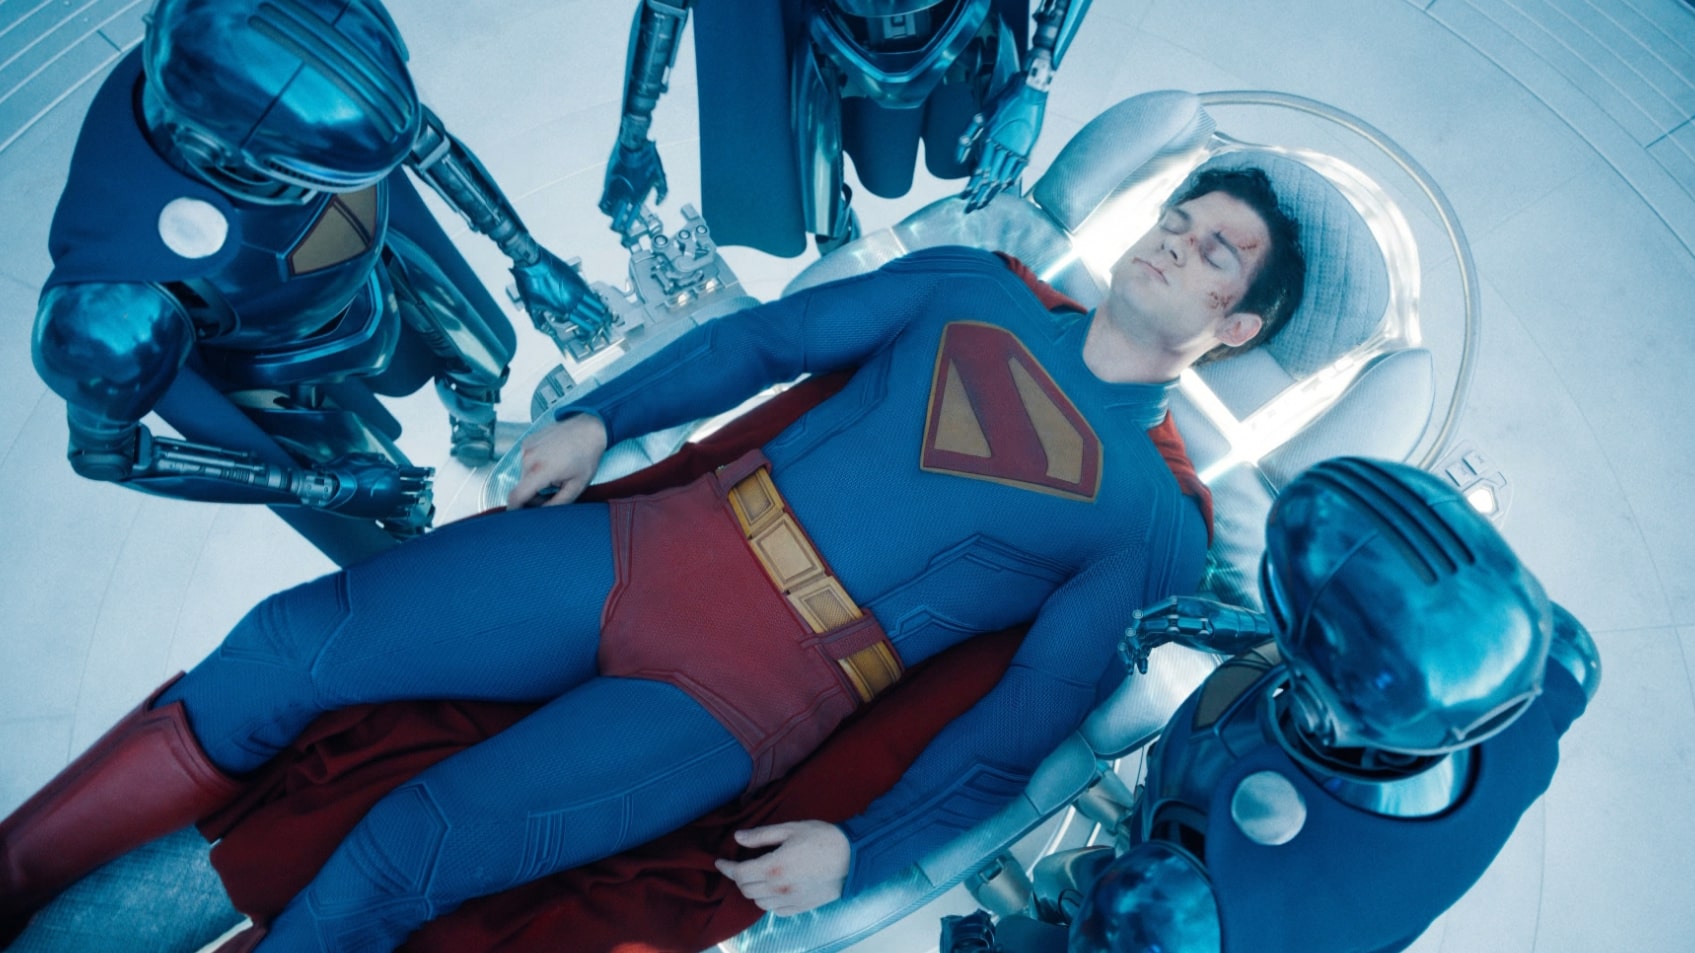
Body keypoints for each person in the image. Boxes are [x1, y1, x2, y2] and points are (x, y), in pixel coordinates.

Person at [0, 166, 1306, 953]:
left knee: (405, 852)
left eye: (1214, 253)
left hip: (744, 694)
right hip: (646, 543)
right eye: (1178, 216)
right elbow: (764, 345)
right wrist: (601, 415)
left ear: (1234, 324)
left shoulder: (1154, 524)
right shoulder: (977, 285)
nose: (1173, 241)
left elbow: (1018, 719)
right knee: (288, 643)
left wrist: (861, 848)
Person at [30, 0, 611, 565]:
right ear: (225, 160)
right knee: (394, 501)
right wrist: (319, 488)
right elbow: (107, 454)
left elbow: (423, 143)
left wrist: (527, 256)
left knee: (479, 358)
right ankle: (428, 559)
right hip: (279, 361)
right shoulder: (110, 315)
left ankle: (473, 436)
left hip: (367, 264)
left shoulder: (246, 65)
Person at [942, 456, 1601, 953]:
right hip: (1237, 872)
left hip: (1189, 910)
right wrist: (1223, 626)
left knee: (1063, 888)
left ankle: (1036, 900)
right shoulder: (1553, 665)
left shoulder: (1161, 913)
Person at [600, 0, 1093, 254]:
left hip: (966, 29)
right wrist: (632, 137)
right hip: (834, 39)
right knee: (826, 220)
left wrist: (1035, 82)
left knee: (998, 196)